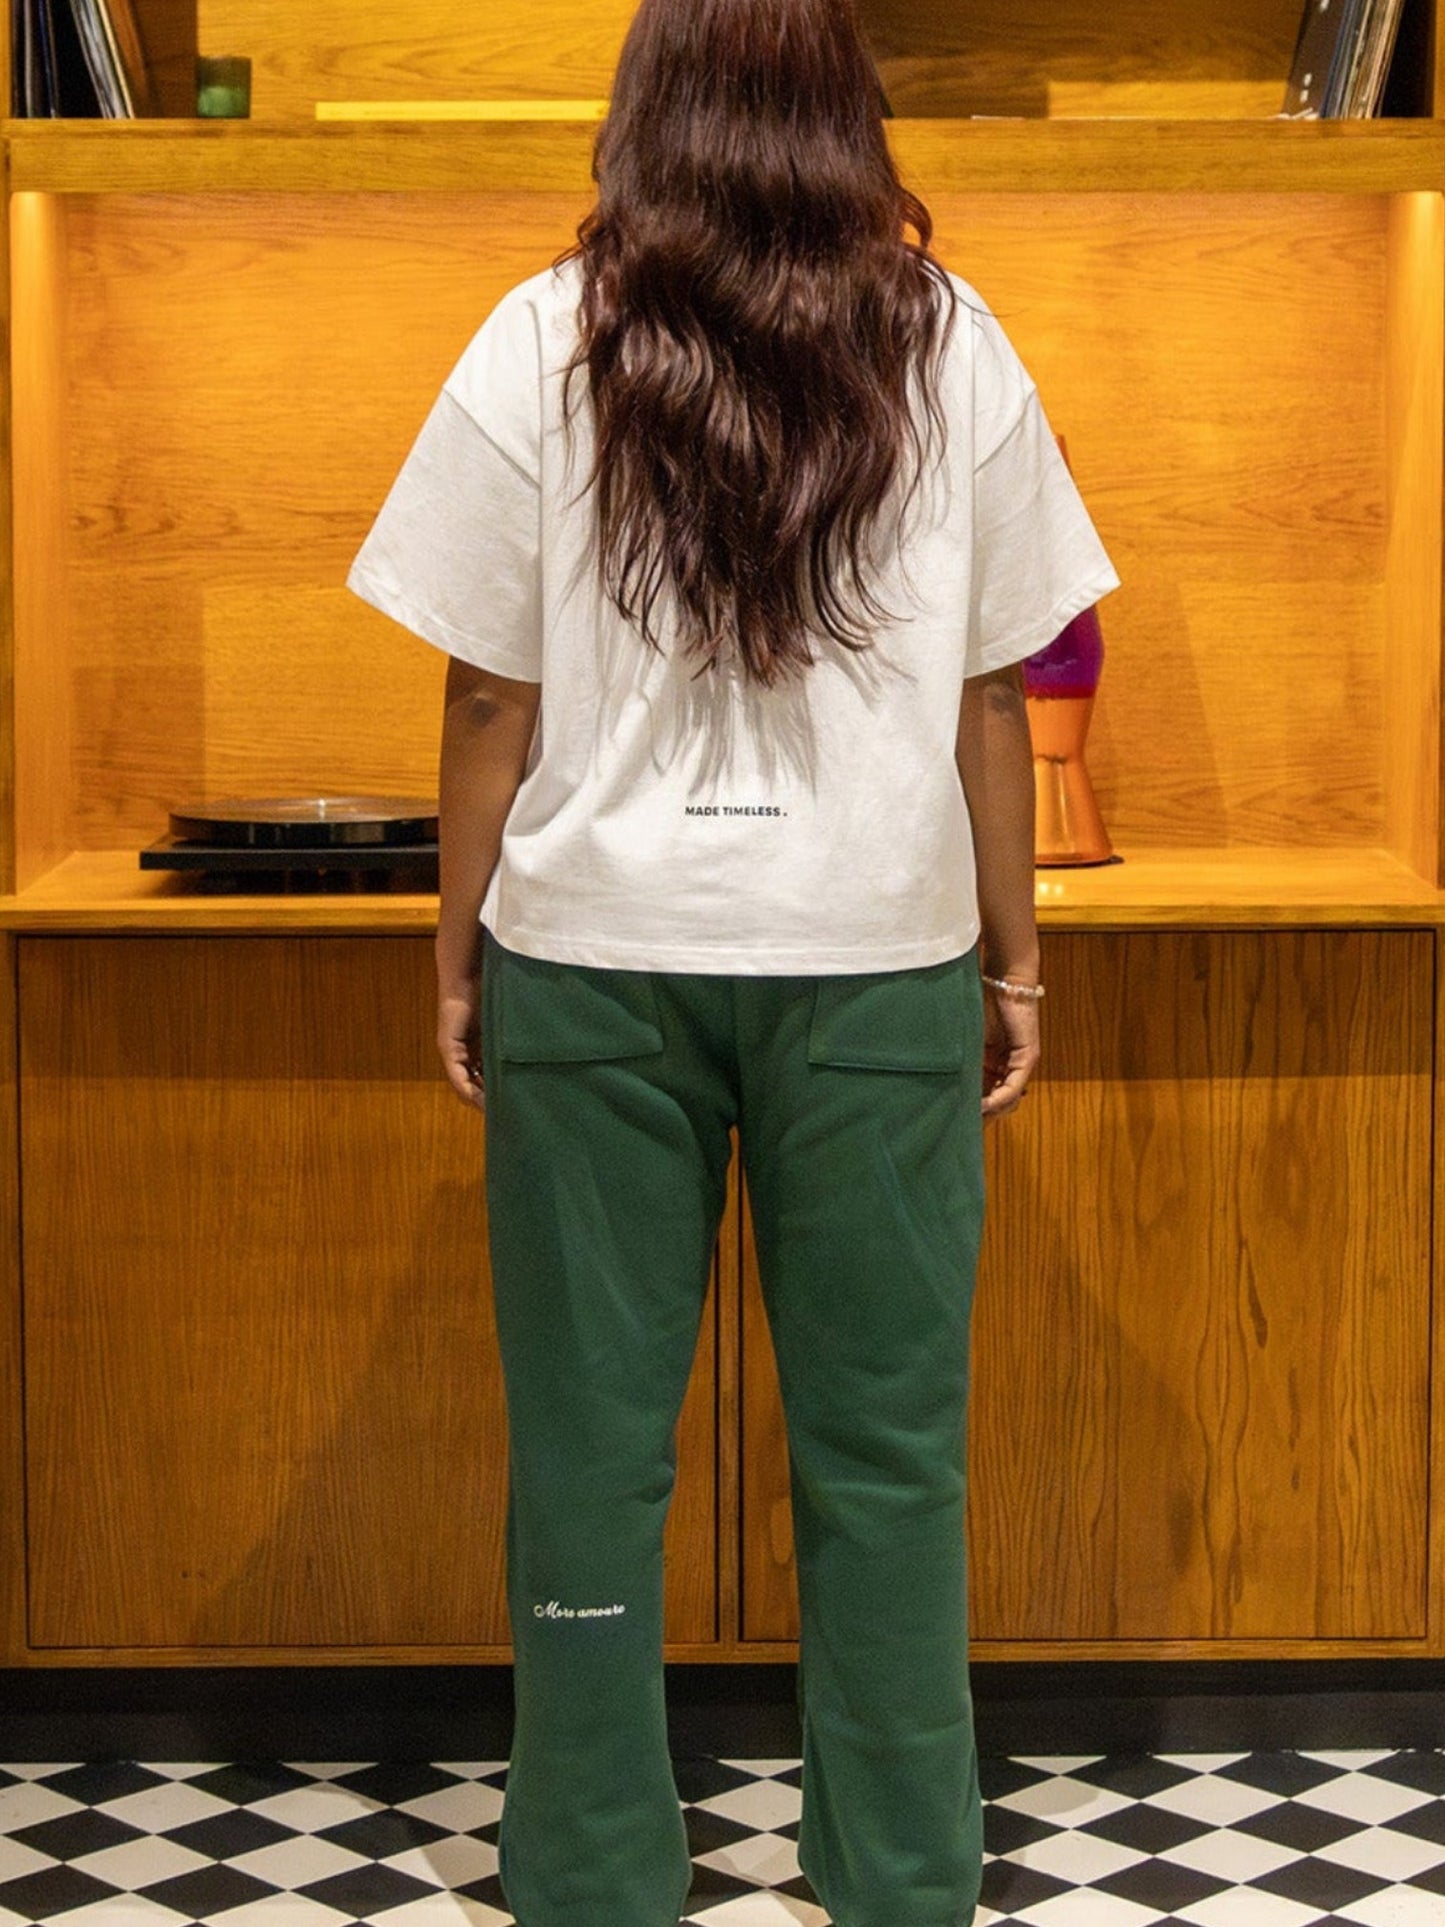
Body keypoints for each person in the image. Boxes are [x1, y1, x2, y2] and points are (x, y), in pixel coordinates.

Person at [346, 2, 1119, 1920]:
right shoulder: (950, 341)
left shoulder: (543, 337)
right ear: (847, 112)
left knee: (587, 1455)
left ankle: (593, 1873)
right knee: (888, 1458)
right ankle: (902, 1876)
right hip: (876, 959)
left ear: (646, 109)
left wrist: (456, 951)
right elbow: (995, 691)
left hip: (593, 960)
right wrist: (1012, 960)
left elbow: (485, 696)